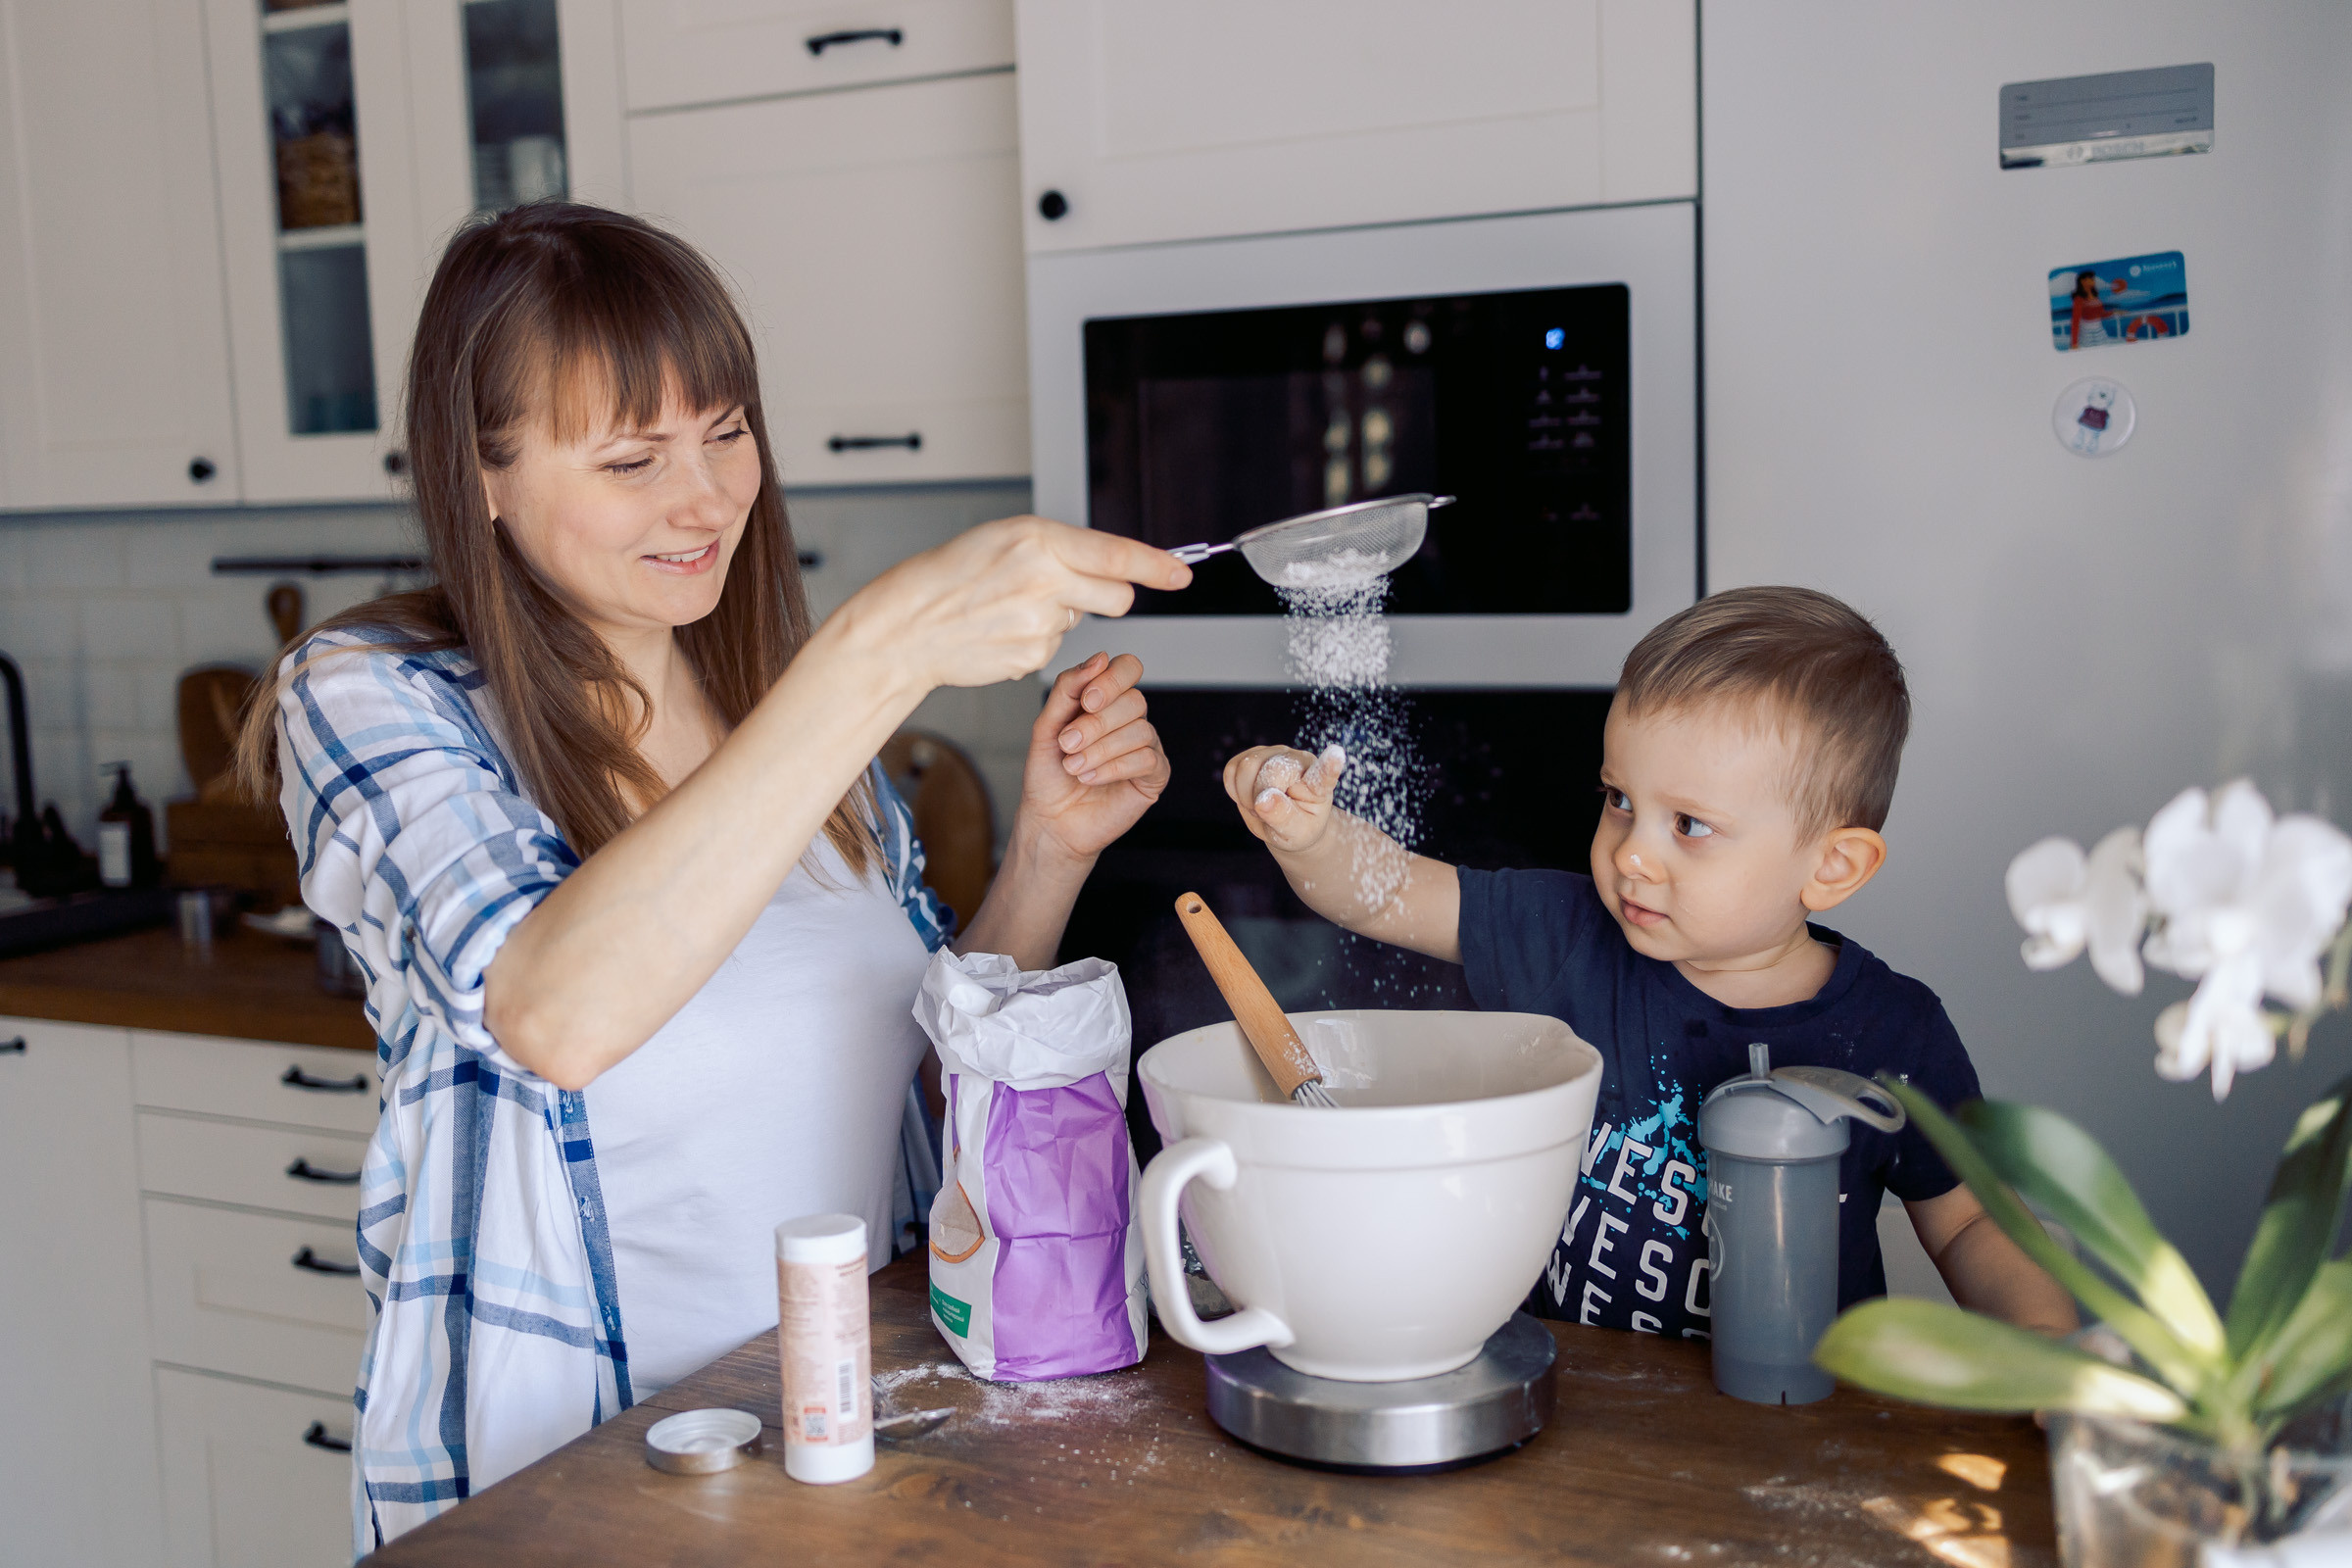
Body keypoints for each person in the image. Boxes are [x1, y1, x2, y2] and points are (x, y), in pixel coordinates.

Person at [234, 203, 1191, 1551]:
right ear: (481, 473)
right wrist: (877, 652)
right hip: (567, 1494)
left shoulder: (777, 715)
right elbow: (553, 1012)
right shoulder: (374, 698)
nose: (705, 500)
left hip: (844, 1460)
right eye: (632, 458)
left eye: (728, 432)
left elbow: (914, 1090)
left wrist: (1047, 852)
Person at [1217, 586, 2077, 1342]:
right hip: (1566, 1411)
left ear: (1832, 867)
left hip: (1792, 1442)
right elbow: (1383, 892)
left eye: (1689, 826)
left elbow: (1970, 1224)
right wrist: (1314, 835)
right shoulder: (1563, 934)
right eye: (1621, 801)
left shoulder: (1894, 1031)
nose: (1632, 854)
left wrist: (2048, 1344)